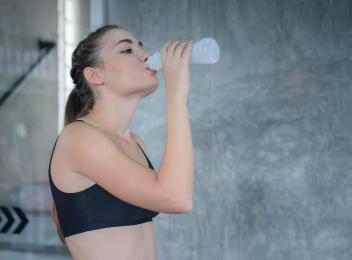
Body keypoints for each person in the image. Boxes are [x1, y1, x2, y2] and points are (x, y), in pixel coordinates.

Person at [48, 24, 195, 260]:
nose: (145, 55)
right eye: (126, 50)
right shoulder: (78, 139)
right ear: (95, 75)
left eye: (141, 46)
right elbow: (176, 197)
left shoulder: (136, 143)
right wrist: (176, 95)